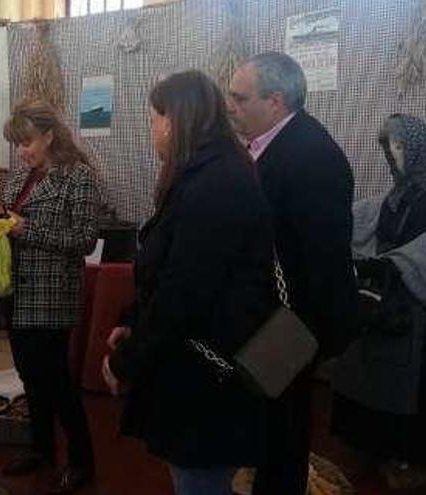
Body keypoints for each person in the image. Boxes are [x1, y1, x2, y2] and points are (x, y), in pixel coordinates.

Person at [102, 70, 275, 495]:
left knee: (201, 483)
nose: (152, 129)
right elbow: (170, 272)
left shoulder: (216, 183)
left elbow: (184, 294)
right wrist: (133, 319)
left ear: (178, 120)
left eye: (156, 118)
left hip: (206, 380)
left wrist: (125, 359)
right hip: (197, 369)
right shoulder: (207, 173)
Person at [227, 51, 357, 494]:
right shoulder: (273, 146)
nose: (232, 107)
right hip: (271, 319)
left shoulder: (311, 156)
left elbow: (319, 259)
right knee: (268, 429)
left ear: (277, 102)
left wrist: (297, 338)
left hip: (291, 324)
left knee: (284, 431)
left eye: (240, 99)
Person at [331, 114, 426, 490]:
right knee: (364, 374)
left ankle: (413, 459)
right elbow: (363, 225)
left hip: (406, 311)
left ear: (418, 151)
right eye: (390, 147)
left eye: (400, 146)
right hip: (374, 303)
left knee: (407, 385)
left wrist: (389, 264)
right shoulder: (392, 198)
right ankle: (368, 446)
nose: (394, 154)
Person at [0, 98, 99, 494]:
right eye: (17, 144)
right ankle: (42, 450)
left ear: (49, 135)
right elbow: (10, 223)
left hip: (50, 298)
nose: (22, 151)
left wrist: (23, 229)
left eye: (28, 141)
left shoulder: (77, 177)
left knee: (57, 382)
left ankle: (82, 461)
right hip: (15, 292)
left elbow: (83, 241)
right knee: (31, 378)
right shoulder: (18, 178)